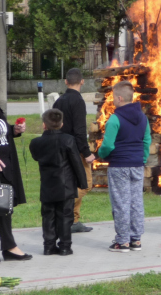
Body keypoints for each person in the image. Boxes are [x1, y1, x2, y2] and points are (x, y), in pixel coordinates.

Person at [96, 81, 151, 252]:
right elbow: (147, 141)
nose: (112, 101)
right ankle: (136, 239)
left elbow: (108, 145)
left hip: (119, 165)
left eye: (113, 98)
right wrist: (142, 158)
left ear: (119, 98)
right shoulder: (143, 117)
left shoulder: (115, 119)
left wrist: (101, 155)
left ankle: (122, 241)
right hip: (136, 164)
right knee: (136, 202)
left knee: (121, 202)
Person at [29, 109, 88, 256]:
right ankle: (65, 246)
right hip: (66, 184)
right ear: (62, 124)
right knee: (65, 215)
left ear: (44, 125)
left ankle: (48, 246)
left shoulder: (36, 143)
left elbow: (36, 157)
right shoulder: (68, 139)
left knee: (48, 215)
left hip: (47, 184)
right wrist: (82, 182)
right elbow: (76, 162)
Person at [0, 75, 31, 261]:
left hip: (4, 165)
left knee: (2, 206)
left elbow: (0, 132)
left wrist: (14, 130)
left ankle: (9, 247)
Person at [52, 68, 95, 233]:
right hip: (74, 150)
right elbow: (79, 131)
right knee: (86, 184)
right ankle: (66, 214)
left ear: (66, 81)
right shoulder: (77, 101)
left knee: (73, 183)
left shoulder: (59, 101)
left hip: (60, 148)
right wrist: (87, 153)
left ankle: (73, 220)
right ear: (82, 82)